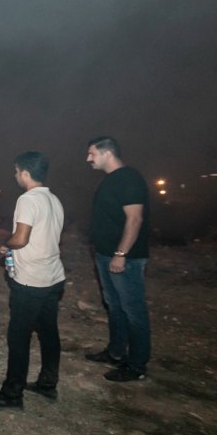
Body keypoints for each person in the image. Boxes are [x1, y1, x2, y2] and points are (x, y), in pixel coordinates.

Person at [0, 152, 65, 409]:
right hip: (53, 277)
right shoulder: (54, 199)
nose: (15, 176)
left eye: (16, 172)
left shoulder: (28, 200)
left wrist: (5, 247)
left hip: (31, 282)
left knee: (19, 337)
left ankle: (12, 393)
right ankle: (48, 383)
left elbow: (21, 237)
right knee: (49, 332)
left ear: (25, 173)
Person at [85, 136, 151, 382]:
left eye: (92, 153)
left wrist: (121, 254)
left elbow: (135, 220)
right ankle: (115, 352)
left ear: (107, 153)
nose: (88, 158)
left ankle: (136, 365)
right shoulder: (111, 181)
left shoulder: (129, 179)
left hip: (126, 259)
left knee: (133, 310)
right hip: (105, 255)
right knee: (114, 305)